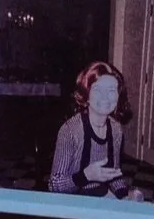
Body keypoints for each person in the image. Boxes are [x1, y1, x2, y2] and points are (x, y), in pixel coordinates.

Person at [45, 60, 128, 197]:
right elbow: (54, 185)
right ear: (86, 94)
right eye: (97, 90)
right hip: (70, 200)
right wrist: (86, 176)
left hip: (97, 193)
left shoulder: (116, 129)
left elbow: (114, 174)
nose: (105, 97)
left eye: (111, 90)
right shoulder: (70, 130)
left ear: (119, 96)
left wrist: (124, 197)